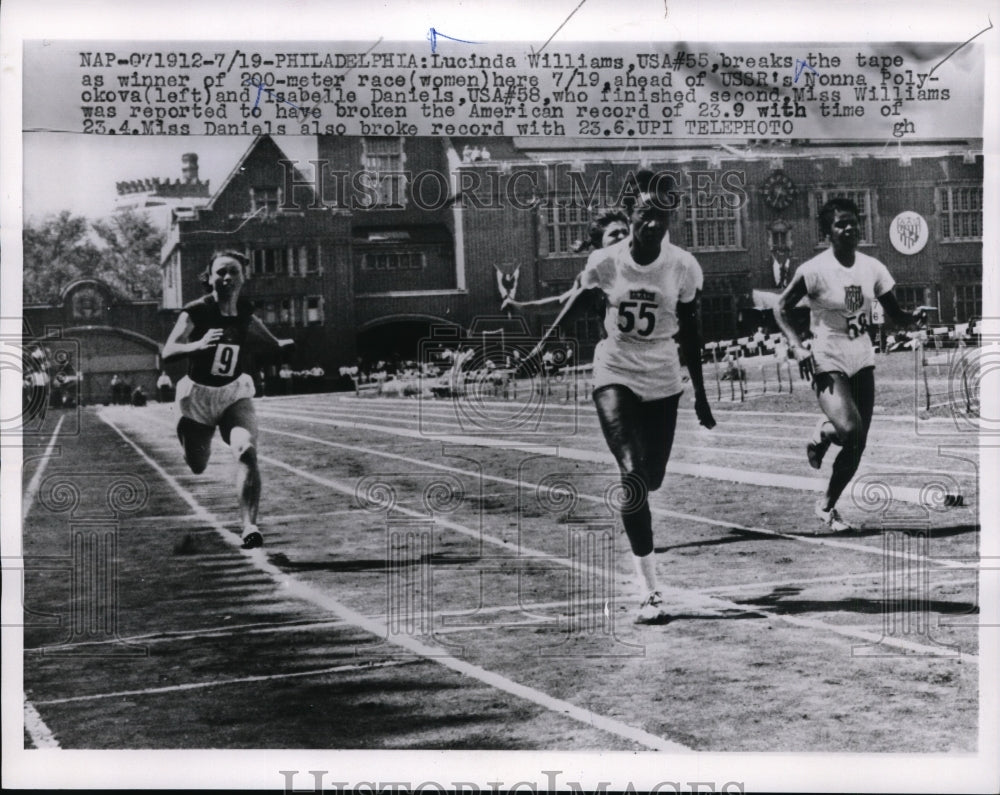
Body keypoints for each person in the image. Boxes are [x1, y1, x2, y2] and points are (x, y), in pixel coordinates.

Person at [508, 182, 716, 624]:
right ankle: (651, 591)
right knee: (634, 474)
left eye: (662, 215)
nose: (653, 223)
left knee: (653, 477)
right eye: (644, 215)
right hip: (614, 371)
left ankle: (638, 512)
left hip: (662, 377)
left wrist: (700, 394)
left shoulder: (683, 267)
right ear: (630, 216)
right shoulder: (605, 261)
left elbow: (693, 334)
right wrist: (537, 353)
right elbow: (576, 307)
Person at [775, 198, 925, 533]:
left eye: (854, 222)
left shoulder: (873, 268)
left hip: (862, 357)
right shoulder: (814, 269)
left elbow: (895, 314)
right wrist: (797, 347)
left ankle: (827, 506)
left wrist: (911, 318)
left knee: (858, 443)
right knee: (850, 430)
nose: (849, 229)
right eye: (841, 224)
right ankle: (822, 433)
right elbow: (781, 307)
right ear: (827, 231)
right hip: (828, 358)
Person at [161, 250, 293, 549]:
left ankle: (249, 526)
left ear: (243, 278)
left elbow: (260, 333)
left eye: (233, 272)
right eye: (220, 272)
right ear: (209, 278)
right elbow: (168, 351)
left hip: (234, 392)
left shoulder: (245, 311)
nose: (227, 278)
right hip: (197, 398)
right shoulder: (197, 311)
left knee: (246, 450)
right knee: (197, 464)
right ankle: (187, 432)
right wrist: (197, 344)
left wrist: (277, 344)